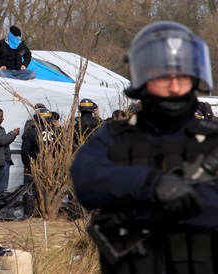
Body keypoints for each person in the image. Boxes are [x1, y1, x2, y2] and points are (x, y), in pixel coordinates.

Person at [71, 21, 218, 274]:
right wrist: (152, 184)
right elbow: (87, 180)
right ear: (143, 79)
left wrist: (153, 208)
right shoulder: (114, 136)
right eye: (163, 77)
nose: (174, 87)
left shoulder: (213, 141)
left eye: (182, 77)